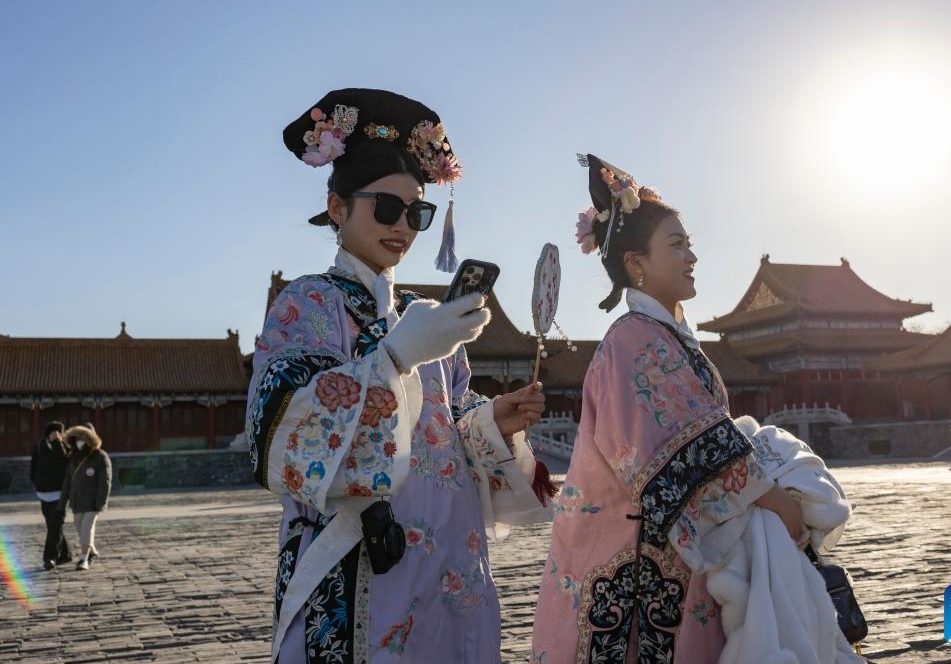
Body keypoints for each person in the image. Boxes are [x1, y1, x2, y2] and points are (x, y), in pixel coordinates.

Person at [246, 88, 553, 663]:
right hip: (360, 561)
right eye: (385, 208)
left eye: (417, 212)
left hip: (449, 560)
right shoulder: (307, 305)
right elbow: (280, 435)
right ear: (337, 207)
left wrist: (490, 420)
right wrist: (392, 359)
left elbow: (449, 421)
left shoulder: (427, 317)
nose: (403, 226)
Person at [531, 155, 804, 663]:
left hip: (675, 559)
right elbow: (679, 447)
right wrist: (772, 498)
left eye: (689, 243)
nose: (692, 256)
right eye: (677, 245)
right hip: (635, 567)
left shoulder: (666, 339)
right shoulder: (633, 340)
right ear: (636, 263)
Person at [60, 425, 112, 570]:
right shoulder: (73, 457)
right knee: (79, 527)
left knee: (86, 528)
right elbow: (67, 482)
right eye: (77, 438)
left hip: (92, 501)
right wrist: (62, 503)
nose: (80, 441)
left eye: (83, 438)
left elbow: (105, 482)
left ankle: (84, 559)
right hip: (77, 500)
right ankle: (92, 550)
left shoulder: (100, 456)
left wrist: (100, 502)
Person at [29, 421, 73, 569]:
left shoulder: (64, 447)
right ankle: (65, 555)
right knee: (53, 526)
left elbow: (62, 459)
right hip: (43, 492)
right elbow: (33, 464)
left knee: (55, 525)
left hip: (59, 493)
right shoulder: (39, 445)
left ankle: (49, 557)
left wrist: (57, 443)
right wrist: (35, 480)